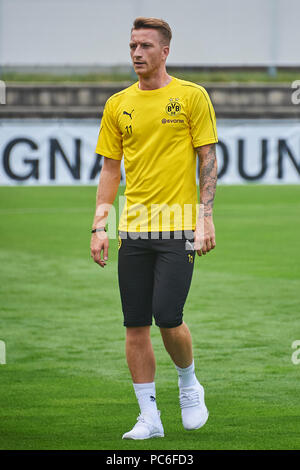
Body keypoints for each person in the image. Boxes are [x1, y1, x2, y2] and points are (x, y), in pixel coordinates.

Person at [90, 17, 218, 440]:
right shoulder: (117, 104)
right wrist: (100, 225)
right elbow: (110, 169)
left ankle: (188, 382)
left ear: (165, 51)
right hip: (135, 228)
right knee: (134, 325)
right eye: (132, 46)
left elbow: (207, 159)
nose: (136, 53)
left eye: (145, 45)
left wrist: (206, 216)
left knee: (168, 317)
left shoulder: (191, 96)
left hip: (178, 225)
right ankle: (149, 417)